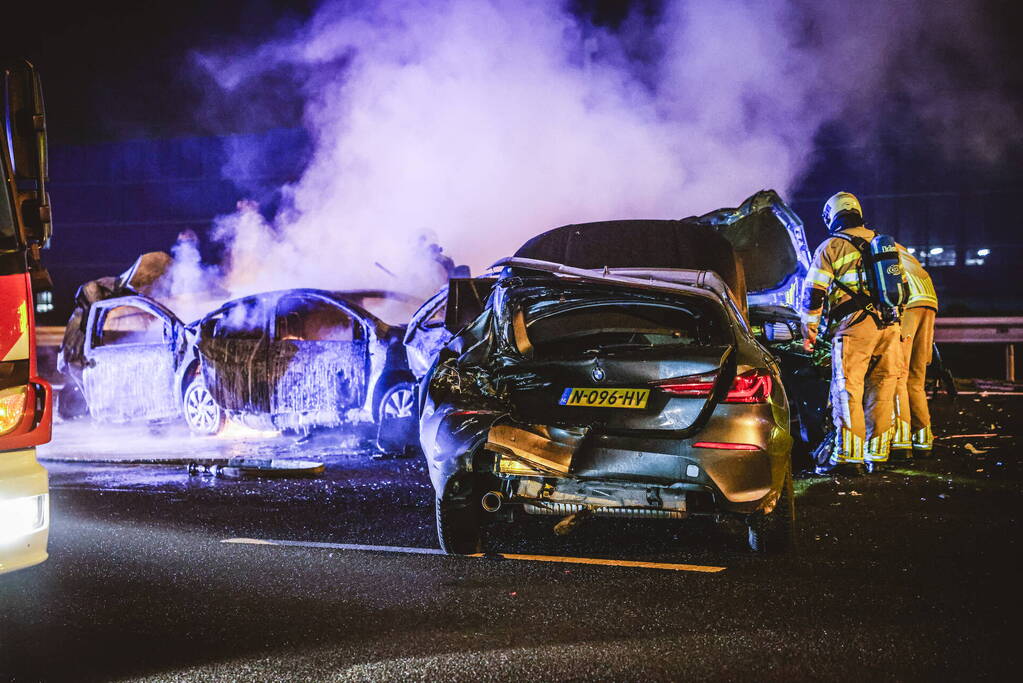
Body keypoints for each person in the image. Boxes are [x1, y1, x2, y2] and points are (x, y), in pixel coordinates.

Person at [800, 192, 904, 473]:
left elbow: (814, 292)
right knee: (882, 389)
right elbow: (901, 288)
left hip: (854, 327)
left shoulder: (831, 246)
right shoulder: (882, 243)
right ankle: (878, 456)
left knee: (847, 389)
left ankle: (848, 457)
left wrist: (809, 328)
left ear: (831, 216)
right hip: (890, 325)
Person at [891, 245, 938, 458]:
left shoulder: (869, 246)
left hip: (909, 302)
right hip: (929, 300)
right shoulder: (899, 249)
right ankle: (923, 439)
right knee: (916, 380)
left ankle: (901, 441)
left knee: (898, 376)